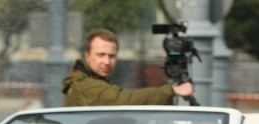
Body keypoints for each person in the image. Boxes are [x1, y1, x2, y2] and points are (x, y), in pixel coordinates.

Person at [62, 28, 194, 107]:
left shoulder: (92, 81)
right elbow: (122, 99)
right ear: (87, 56)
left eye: (112, 56)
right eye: (101, 55)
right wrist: (171, 91)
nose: (107, 61)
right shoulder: (85, 85)